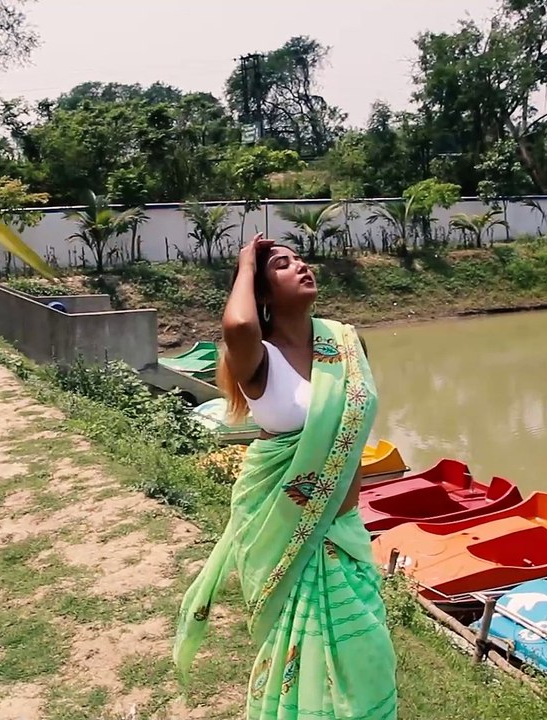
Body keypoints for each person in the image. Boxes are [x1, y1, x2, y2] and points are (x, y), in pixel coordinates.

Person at [173, 234, 398, 719]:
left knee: (366, 650)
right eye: (282, 264)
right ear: (262, 292)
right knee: (298, 648)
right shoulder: (257, 357)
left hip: (344, 529)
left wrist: (264, 266)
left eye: (300, 258)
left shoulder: (346, 343)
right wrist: (245, 263)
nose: (300, 266)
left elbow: (352, 424)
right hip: (281, 523)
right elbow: (237, 323)